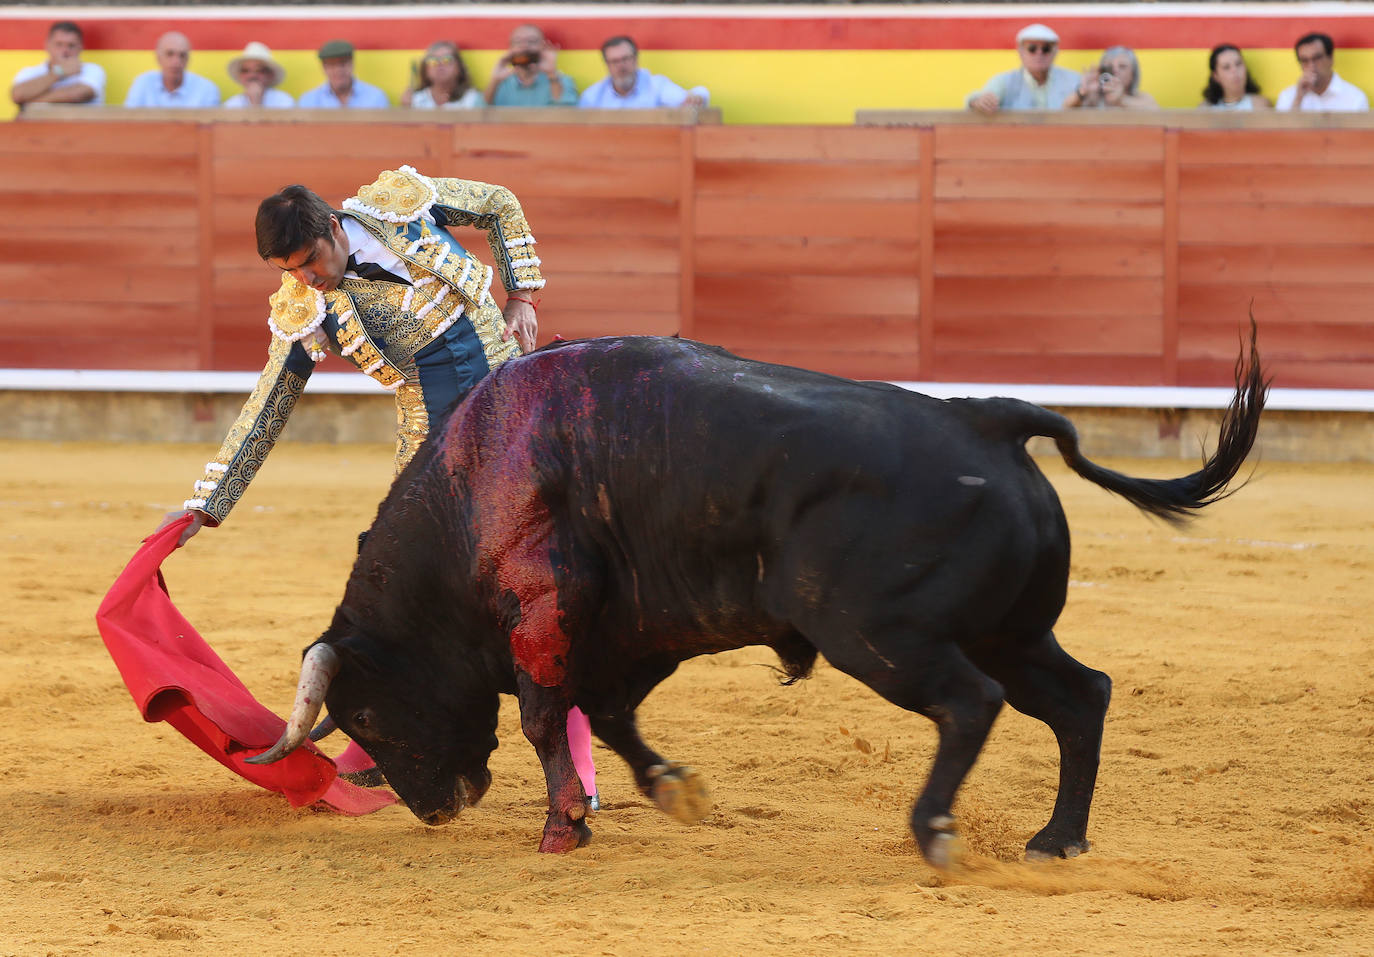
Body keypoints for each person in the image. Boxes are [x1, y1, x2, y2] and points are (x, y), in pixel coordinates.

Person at [152, 167, 599, 801]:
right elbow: (269, 403)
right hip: (430, 446)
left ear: (334, 227)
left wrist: (522, 294)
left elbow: (500, 203)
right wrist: (208, 503)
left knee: (546, 593)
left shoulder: (403, 206)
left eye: (310, 261)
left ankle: (578, 769)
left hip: (514, 407)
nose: (305, 279)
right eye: (289, 270)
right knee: (406, 597)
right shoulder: (306, 308)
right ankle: (374, 738)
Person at [967, 23, 1078, 113]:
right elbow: (979, 99)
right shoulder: (1004, 81)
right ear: (1020, 51)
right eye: (1032, 48)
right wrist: (978, 101)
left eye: (1046, 49)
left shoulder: (1074, 81)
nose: (1039, 54)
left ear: (1055, 52)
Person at [578, 35, 708, 109]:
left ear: (636, 58)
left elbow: (691, 97)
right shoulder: (592, 96)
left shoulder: (657, 86)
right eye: (614, 61)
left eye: (625, 59)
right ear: (607, 64)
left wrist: (696, 97)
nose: (621, 66)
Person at [10, 20, 106, 111]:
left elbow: (77, 95)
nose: (65, 51)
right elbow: (18, 95)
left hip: (82, 127)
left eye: (71, 45)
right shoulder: (30, 72)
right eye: (59, 44)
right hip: (38, 127)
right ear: (47, 45)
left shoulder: (92, 70)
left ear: (81, 47)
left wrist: (30, 102)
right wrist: (59, 72)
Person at [486, 24, 577, 107]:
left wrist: (551, 74)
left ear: (542, 47)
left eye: (532, 41)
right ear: (510, 49)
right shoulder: (501, 83)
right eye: (518, 42)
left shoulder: (562, 81)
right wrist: (495, 81)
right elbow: (479, 114)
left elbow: (566, 113)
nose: (524, 46)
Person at [123, 31, 220, 109]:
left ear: (188, 60)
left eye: (182, 55)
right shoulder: (143, 83)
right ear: (158, 57)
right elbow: (129, 122)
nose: (176, 61)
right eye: (169, 54)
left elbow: (210, 130)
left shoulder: (207, 89)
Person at [1276, 32, 1369, 111]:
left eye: (1317, 58)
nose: (1311, 65)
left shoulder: (1355, 97)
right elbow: (1280, 132)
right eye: (1304, 60)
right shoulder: (1288, 96)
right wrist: (1298, 99)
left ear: (1331, 58)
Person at [299, 39, 390, 109]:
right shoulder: (308, 100)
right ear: (324, 68)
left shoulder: (375, 96)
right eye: (332, 65)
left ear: (352, 64)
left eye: (343, 64)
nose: (338, 70)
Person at [1062, 46, 1158, 110]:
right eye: (1109, 67)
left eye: (1122, 66)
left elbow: (1156, 112)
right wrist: (1082, 92)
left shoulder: (1141, 98)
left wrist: (1121, 100)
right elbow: (1062, 112)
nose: (1115, 71)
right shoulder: (1093, 98)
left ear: (1133, 75)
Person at [401, 40, 484, 109]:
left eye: (447, 60)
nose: (440, 64)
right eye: (433, 61)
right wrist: (406, 110)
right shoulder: (414, 100)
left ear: (459, 67)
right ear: (425, 69)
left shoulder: (472, 98)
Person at [1200, 44, 1272, 110]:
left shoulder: (1260, 105)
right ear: (1216, 76)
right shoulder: (1205, 109)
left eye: (1238, 64)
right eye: (1226, 67)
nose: (1235, 71)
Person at [223, 41, 293, 109]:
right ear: (240, 75)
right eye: (245, 70)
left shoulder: (283, 100)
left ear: (270, 75)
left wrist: (256, 103)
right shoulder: (232, 103)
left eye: (259, 70)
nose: (252, 75)